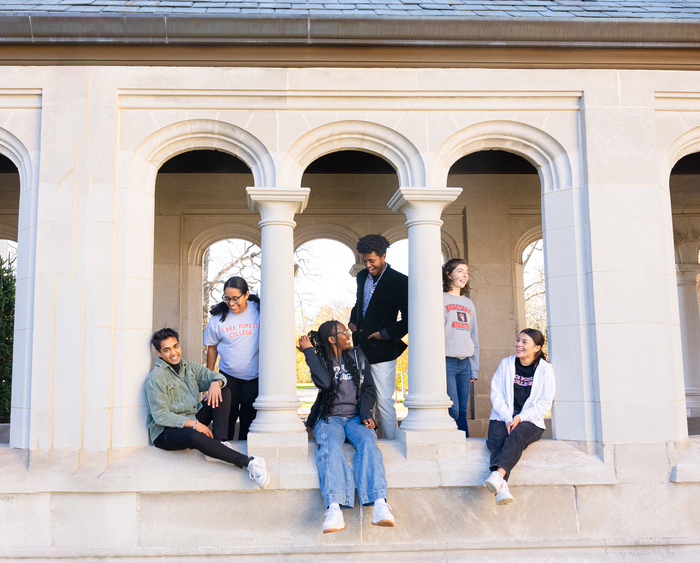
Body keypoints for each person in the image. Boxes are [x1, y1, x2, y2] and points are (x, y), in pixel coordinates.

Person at [298, 320, 395, 534]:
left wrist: (366, 414)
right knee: (331, 448)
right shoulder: (322, 359)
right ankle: (334, 509)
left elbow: (369, 389)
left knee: (369, 442)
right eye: (343, 332)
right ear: (332, 339)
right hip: (329, 417)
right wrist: (308, 353)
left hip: (354, 417)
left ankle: (379, 503)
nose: (348, 335)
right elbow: (324, 383)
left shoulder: (358, 356)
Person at [145, 328, 270, 489]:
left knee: (222, 389)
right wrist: (195, 424)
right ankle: (250, 462)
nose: (174, 352)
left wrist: (215, 383)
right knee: (192, 435)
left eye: (176, 346)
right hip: (166, 432)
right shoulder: (156, 378)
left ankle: (220, 442)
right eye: (167, 350)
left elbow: (218, 376)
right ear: (159, 353)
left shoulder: (188, 368)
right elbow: (160, 416)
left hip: (192, 418)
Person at [484, 328, 555, 505]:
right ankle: (502, 487)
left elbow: (545, 404)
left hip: (531, 421)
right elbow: (496, 395)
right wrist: (509, 417)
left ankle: (497, 475)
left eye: (524, 342)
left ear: (537, 347)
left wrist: (521, 418)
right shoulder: (506, 364)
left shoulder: (546, 370)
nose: (518, 345)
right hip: (502, 417)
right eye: (518, 340)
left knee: (517, 435)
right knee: (497, 439)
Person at [348, 234, 408, 440]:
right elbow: (360, 304)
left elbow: (410, 319)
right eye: (364, 261)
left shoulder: (400, 281)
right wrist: (352, 321)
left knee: (383, 400)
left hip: (383, 350)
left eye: (371, 261)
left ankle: (392, 442)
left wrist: (384, 335)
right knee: (362, 399)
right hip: (359, 347)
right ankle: (368, 441)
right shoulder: (362, 277)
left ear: (383, 256)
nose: (368, 265)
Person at [204, 276, 260, 441]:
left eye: (236, 298)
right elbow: (212, 348)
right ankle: (223, 451)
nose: (231, 302)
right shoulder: (218, 318)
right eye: (227, 298)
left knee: (248, 419)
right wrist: (211, 376)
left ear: (246, 294)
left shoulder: (259, 309)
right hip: (228, 377)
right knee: (225, 418)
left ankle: (245, 455)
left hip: (254, 377)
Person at [442, 258, 480, 437]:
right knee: (453, 410)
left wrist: (475, 367)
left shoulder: (468, 303)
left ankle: (465, 447)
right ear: (448, 274)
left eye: (466, 272)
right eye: (459, 271)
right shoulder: (440, 299)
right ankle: (450, 445)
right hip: (447, 361)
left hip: (465, 363)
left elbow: (474, 335)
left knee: (463, 411)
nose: (464, 275)